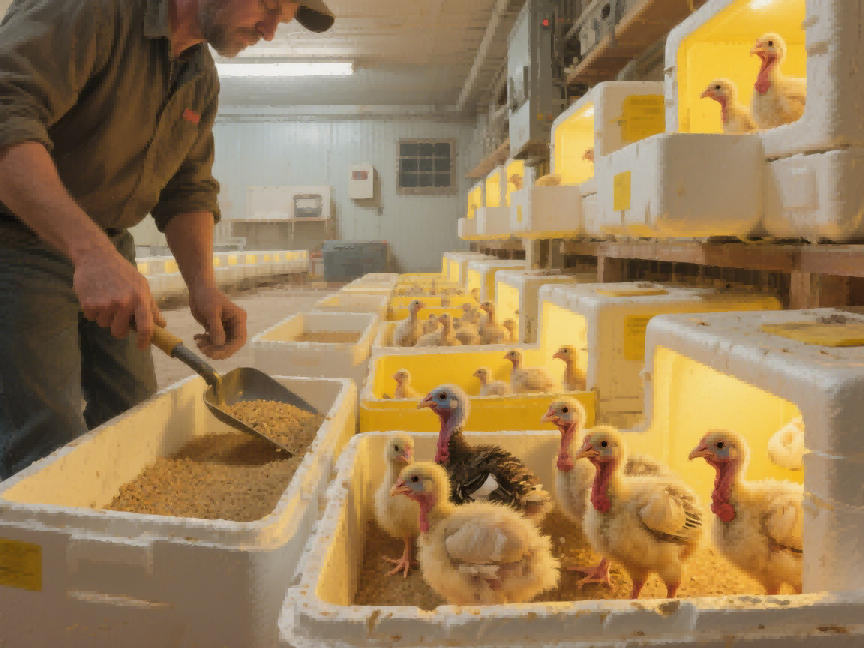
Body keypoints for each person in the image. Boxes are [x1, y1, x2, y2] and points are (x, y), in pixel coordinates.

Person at [0, 0, 335, 480]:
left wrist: (202, 284)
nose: (270, 31)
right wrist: (90, 253)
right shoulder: (89, 12)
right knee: (44, 429)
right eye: (268, 6)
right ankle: (32, 546)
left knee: (133, 409)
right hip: (16, 238)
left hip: (106, 242)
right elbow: (6, 118)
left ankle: (110, 533)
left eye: (281, 19)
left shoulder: (198, 77)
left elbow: (186, 187)